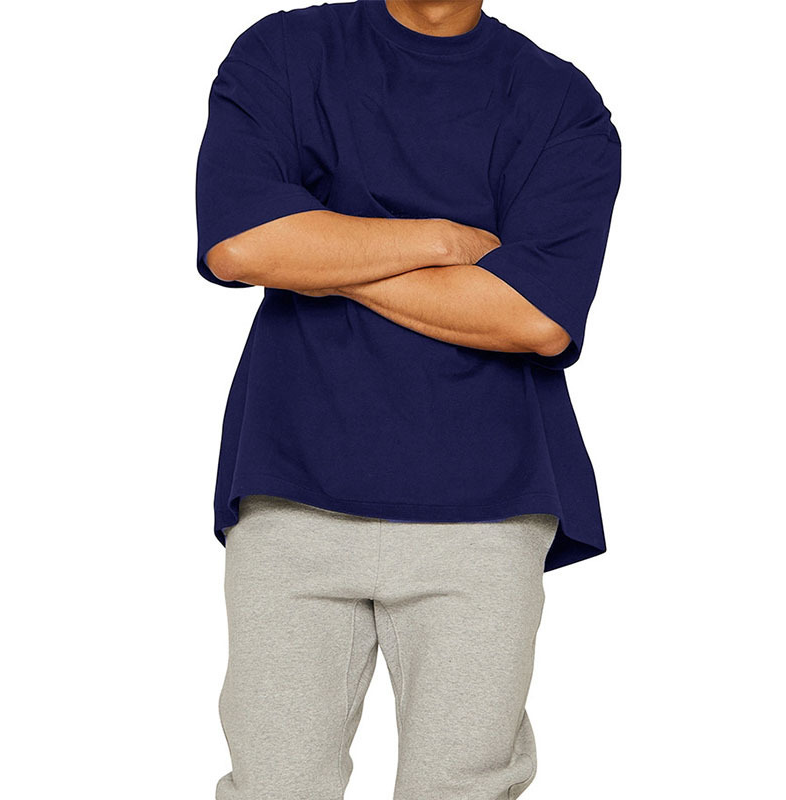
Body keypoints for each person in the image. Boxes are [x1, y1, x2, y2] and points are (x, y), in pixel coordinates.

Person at [194, 1, 622, 797]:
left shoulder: (558, 101)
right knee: (273, 785)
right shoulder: (285, 53)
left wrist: (322, 251)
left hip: (487, 504)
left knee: (461, 786)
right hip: (293, 489)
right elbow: (242, 244)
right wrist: (442, 241)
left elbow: (533, 316)